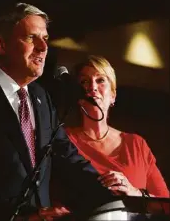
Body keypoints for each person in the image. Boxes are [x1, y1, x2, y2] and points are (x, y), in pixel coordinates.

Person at [0, 3, 115, 221]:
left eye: (44, 38)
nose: (43, 47)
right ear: (0, 44)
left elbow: (67, 158)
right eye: (31, 38)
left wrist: (111, 198)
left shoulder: (42, 97)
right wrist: (17, 216)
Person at [64, 55, 169, 198]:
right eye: (84, 81)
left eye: (100, 80)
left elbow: (165, 204)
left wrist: (134, 192)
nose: (93, 87)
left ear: (113, 95)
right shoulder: (63, 139)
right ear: (78, 97)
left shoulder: (136, 144)